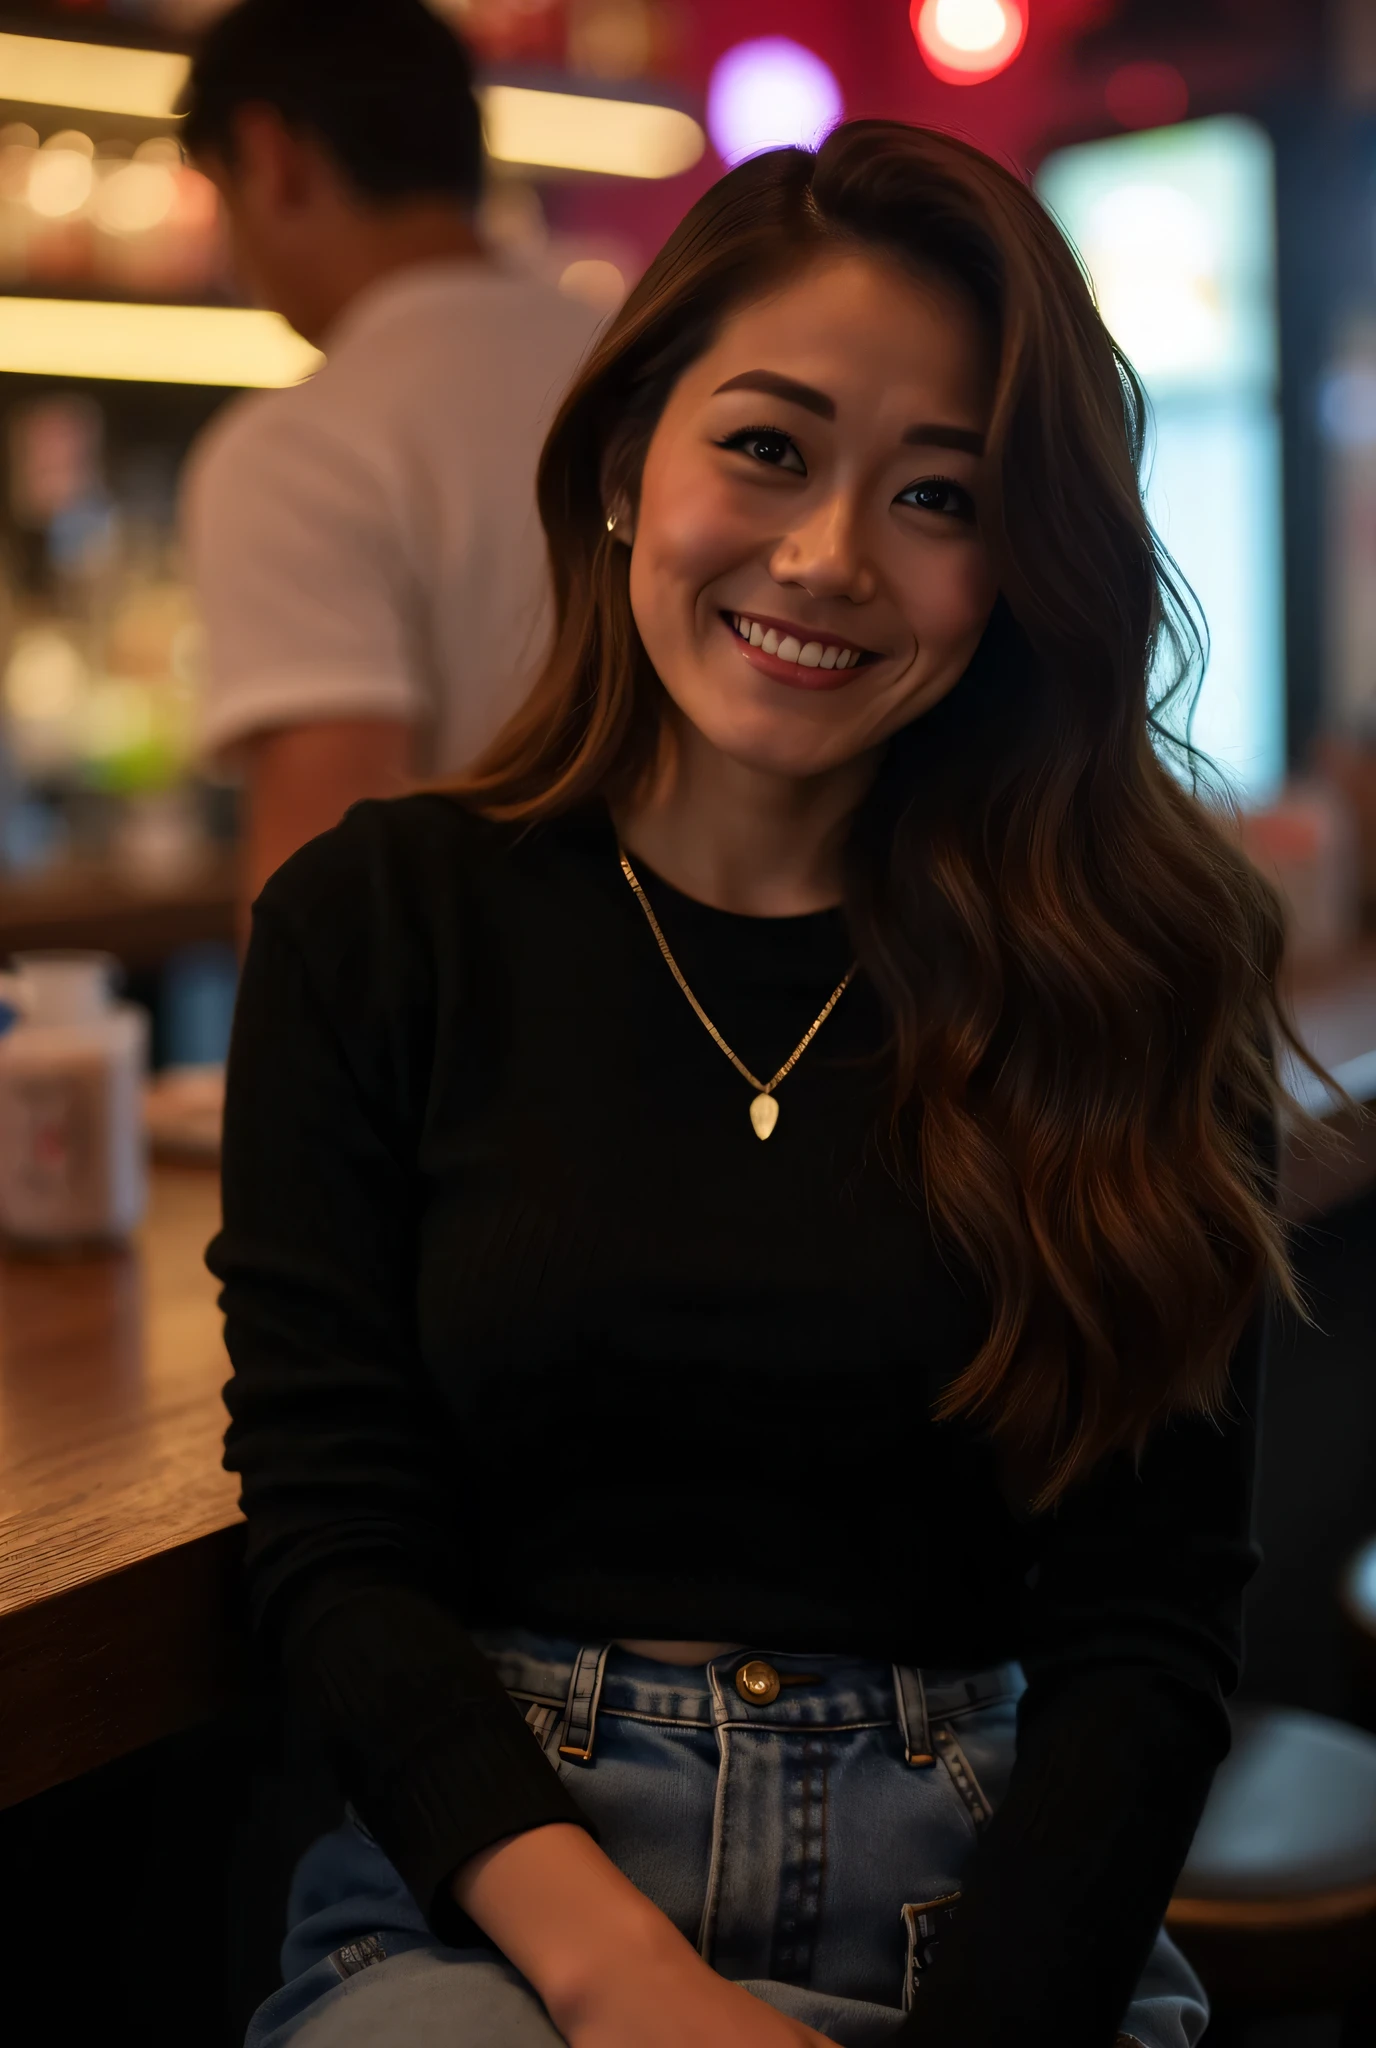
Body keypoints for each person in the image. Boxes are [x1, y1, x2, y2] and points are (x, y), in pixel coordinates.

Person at [211, 123, 1313, 2048]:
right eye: (769, 446)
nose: (827, 555)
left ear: (1011, 565)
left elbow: (1147, 1637)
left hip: (997, 1910)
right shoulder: (382, 922)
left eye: (939, 494)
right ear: (633, 454)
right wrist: (631, 1985)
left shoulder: (1139, 962)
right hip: (500, 1918)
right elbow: (339, 1553)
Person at [179, 0, 602, 918]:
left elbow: (323, 894)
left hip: (480, 1044)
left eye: (221, 198)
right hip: (746, 1011)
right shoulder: (649, 363)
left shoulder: (297, 453)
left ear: (271, 158)